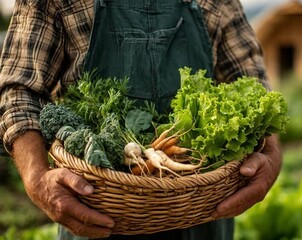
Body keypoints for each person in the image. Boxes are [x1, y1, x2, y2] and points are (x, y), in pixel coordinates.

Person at [0, 0, 282, 239]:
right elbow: (19, 89)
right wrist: (37, 179)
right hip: (95, 206)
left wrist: (271, 153)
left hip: (201, 209)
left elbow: (251, 87)